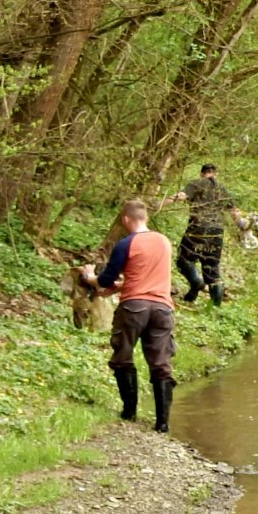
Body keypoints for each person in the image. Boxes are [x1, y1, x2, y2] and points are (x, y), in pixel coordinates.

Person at [82, 198, 176, 434]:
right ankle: (162, 423)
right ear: (146, 218)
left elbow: (104, 280)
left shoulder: (126, 243)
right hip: (163, 308)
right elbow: (146, 276)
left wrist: (89, 276)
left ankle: (129, 412)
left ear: (126, 220)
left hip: (134, 307)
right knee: (161, 363)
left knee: (123, 356)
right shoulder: (164, 242)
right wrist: (122, 285)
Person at [171, 162, 243, 305]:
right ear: (216, 174)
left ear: (202, 173)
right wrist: (242, 225)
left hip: (197, 228)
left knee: (183, 260)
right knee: (212, 267)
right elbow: (234, 212)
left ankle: (196, 282)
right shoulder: (222, 189)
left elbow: (182, 196)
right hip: (216, 232)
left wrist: (160, 203)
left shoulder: (196, 183)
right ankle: (216, 308)